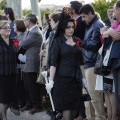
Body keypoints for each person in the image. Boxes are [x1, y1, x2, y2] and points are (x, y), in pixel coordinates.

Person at [45, 7, 85, 120]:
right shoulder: (58, 41)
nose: (70, 30)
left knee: (74, 111)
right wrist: (51, 81)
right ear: (63, 28)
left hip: (76, 80)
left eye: (72, 27)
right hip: (62, 80)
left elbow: (81, 61)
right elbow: (53, 63)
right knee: (67, 110)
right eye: (68, 27)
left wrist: (83, 78)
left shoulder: (77, 40)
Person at [79, 4, 106, 120]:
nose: (83, 19)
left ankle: (100, 117)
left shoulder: (97, 24)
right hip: (87, 62)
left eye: (84, 16)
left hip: (93, 63)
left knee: (95, 96)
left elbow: (95, 44)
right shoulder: (91, 25)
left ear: (91, 13)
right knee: (88, 96)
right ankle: (91, 117)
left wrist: (80, 43)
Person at [19, 13, 43, 114]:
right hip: (27, 62)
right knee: (27, 85)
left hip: (32, 62)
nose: (24, 22)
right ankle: (29, 104)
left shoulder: (36, 32)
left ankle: (37, 105)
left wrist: (19, 42)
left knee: (32, 85)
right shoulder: (30, 31)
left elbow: (23, 43)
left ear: (29, 21)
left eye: (25, 20)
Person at [101, 0, 120, 112]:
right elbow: (105, 34)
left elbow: (116, 35)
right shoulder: (116, 23)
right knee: (117, 94)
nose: (114, 13)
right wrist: (109, 32)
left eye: (115, 10)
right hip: (115, 64)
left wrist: (109, 32)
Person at [0, 20, 17, 120]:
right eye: (5, 28)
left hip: (11, 73)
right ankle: (4, 117)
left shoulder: (13, 41)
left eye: (8, 27)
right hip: (1, 74)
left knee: (8, 98)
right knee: (3, 98)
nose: (8, 29)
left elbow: (16, 54)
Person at [10, 19, 27, 116]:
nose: (13, 27)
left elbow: (22, 49)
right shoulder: (16, 36)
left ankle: (23, 102)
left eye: (14, 25)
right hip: (17, 64)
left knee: (22, 85)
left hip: (22, 64)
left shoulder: (23, 36)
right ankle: (21, 102)